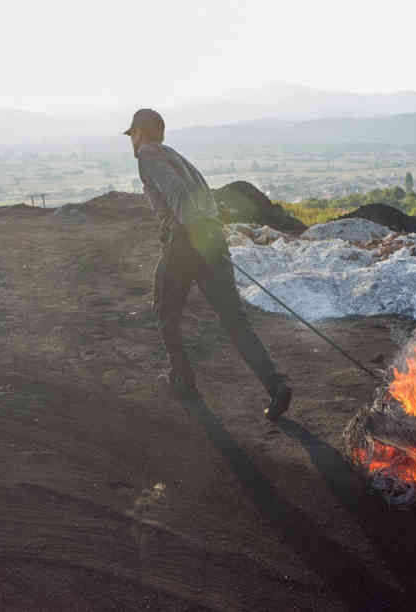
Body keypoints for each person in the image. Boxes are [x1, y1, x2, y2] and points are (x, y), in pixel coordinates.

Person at [125, 108, 292, 419]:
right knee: (234, 320)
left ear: (140, 133)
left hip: (185, 242)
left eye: (132, 134)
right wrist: (209, 235)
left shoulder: (148, 156)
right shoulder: (175, 156)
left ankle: (183, 382)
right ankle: (275, 385)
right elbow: (200, 194)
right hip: (212, 236)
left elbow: (176, 193)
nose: (131, 140)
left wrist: (191, 232)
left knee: (165, 312)